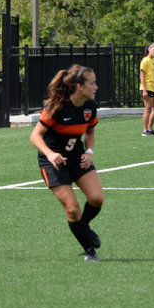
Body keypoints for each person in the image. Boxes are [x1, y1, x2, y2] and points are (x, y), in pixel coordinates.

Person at [30, 64, 105, 262]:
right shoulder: (56, 107)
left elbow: (90, 131)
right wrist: (50, 154)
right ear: (79, 86)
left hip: (77, 157)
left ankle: (82, 227)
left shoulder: (90, 106)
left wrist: (89, 151)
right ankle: (89, 250)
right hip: (53, 162)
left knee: (97, 198)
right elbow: (35, 136)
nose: (96, 87)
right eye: (92, 83)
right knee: (72, 209)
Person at [139, 42, 154, 136]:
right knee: (148, 109)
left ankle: (150, 128)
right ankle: (145, 130)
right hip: (147, 87)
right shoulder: (145, 60)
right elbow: (142, 76)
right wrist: (144, 90)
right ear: (149, 49)